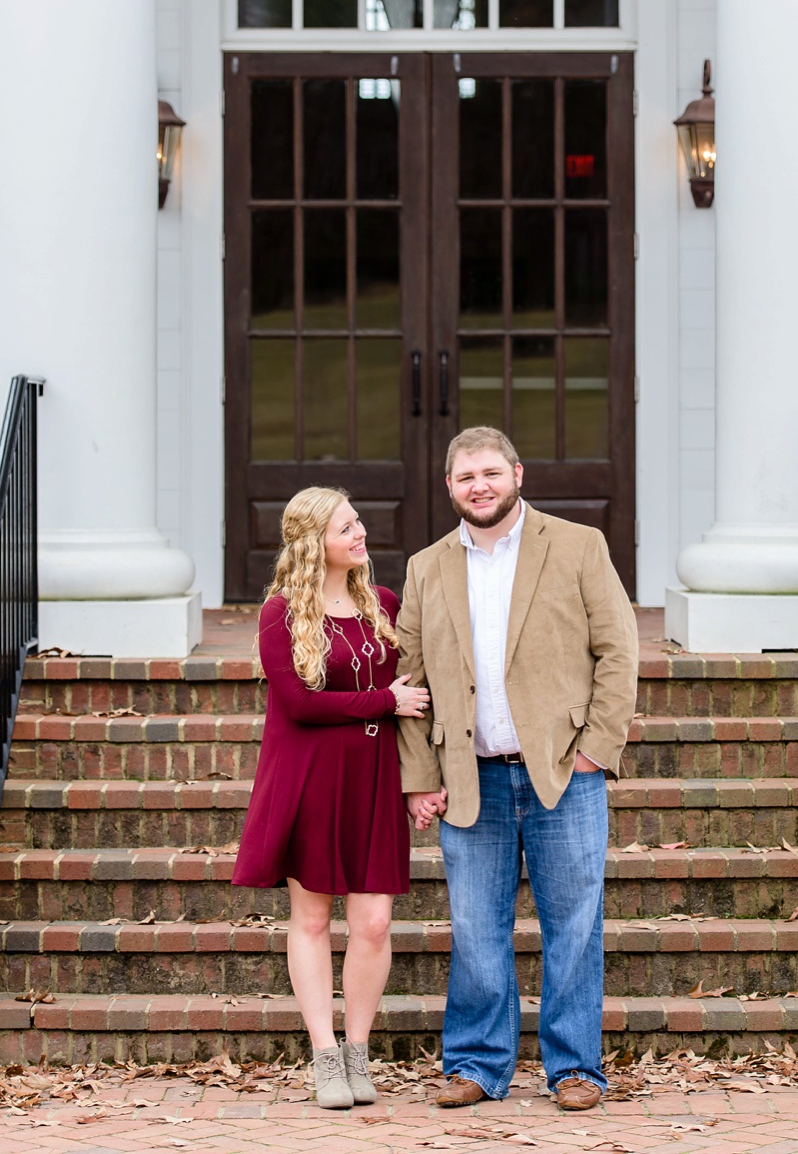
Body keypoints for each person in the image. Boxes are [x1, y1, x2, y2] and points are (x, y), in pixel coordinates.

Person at [396, 427, 637, 1112]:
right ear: (449, 487)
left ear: (517, 474)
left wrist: (598, 746)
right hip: (471, 777)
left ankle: (575, 1069)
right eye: (466, 476)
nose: (480, 485)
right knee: (475, 929)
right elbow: (408, 680)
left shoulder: (578, 546)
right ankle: (476, 1064)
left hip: (565, 771)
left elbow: (617, 652)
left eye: (491, 473)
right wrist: (421, 774)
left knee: (575, 924)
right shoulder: (427, 567)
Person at [233, 487, 430, 1110]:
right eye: (347, 526)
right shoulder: (282, 612)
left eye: (359, 522)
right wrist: (381, 702)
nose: (361, 533)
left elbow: (418, 694)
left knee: (373, 924)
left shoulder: (386, 604)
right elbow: (298, 704)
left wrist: (421, 776)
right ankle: (323, 1055)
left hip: (373, 777)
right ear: (314, 539)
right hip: (310, 779)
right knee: (313, 920)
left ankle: (356, 1051)